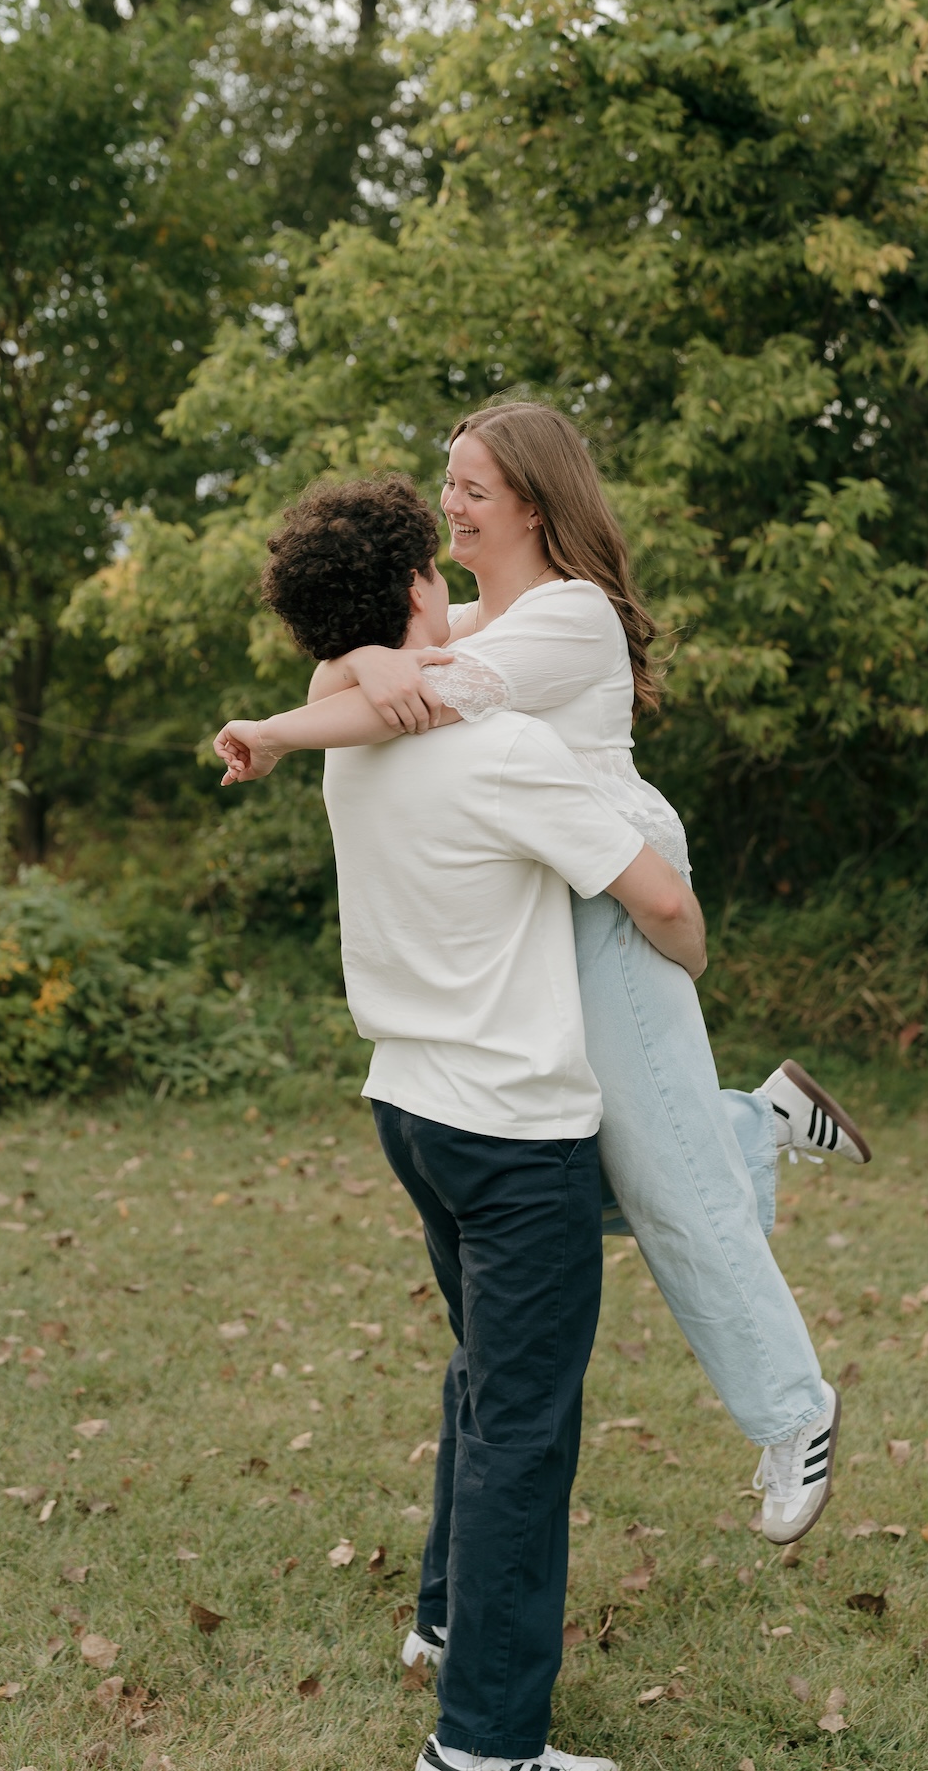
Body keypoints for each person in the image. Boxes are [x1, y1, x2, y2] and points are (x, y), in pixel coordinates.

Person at [216, 404, 868, 1549]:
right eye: (448, 482)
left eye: (472, 487)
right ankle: (755, 1122)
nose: (451, 504)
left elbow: (427, 698)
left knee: (666, 1186)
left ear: (531, 500)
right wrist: (362, 652)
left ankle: (791, 1409)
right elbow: (370, 675)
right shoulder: (478, 615)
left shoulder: (568, 617)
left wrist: (274, 729)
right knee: (597, 1167)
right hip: (549, 897)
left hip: (613, 900)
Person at [221, 474, 707, 1771]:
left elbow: (351, 696)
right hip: (513, 1138)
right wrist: (696, 942)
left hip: (414, 1113)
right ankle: (485, 1746)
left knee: (483, 1384)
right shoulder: (502, 751)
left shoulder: (356, 747)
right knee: (524, 1433)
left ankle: (445, 1622)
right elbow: (655, 898)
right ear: (421, 591)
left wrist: (334, 686)